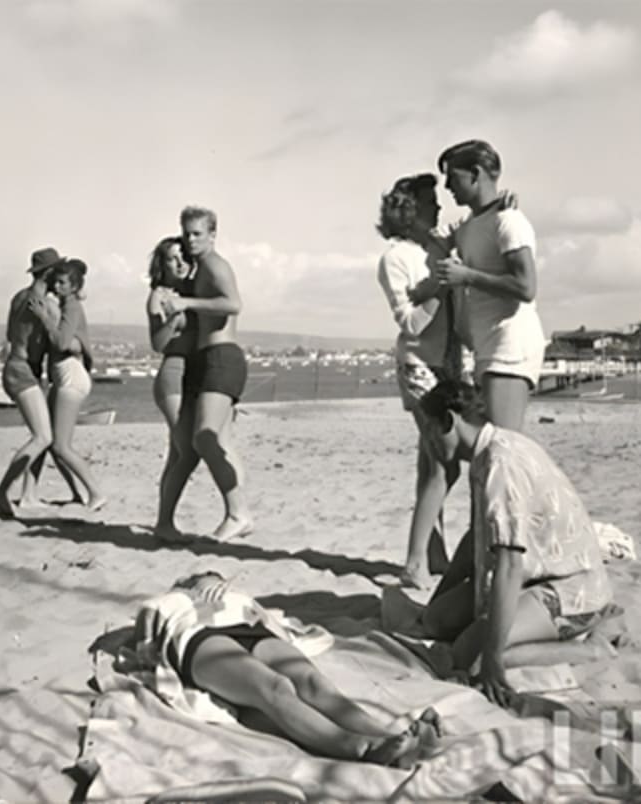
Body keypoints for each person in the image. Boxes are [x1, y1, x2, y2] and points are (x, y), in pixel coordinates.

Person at [416, 378, 616, 706]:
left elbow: (510, 563)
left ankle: (588, 649)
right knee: (438, 621)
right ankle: (508, 636)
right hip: (529, 577)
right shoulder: (484, 453)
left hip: (566, 585)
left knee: (472, 654)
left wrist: (493, 657)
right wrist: (438, 601)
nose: (427, 442)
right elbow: (476, 538)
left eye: (429, 430)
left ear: (450, 421)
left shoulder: (500, 462)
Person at [135, 570, 442, 767]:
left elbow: (272, 620)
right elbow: (145, 640)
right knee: (276, 687)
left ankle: (388, 736)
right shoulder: (169, 602)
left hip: (249, 628)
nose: (203, 579)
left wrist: (222, 586)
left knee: (313, 683)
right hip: (199, 638)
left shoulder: (231, 595)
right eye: (196, 577)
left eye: (209, 576)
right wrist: (180, 599)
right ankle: (358, 747)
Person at [376, 174, 460, 590]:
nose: (438, 208)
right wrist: (440, 288)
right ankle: (415, 561)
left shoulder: (434, 247)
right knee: (444, 462)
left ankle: (432, 553)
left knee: (433, 463)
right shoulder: (395, 258)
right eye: (430, 202)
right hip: (420, 365)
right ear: (407, 210)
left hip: (448, 365)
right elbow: (411, 323)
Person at [433, 140, 545, 431]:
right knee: (492, 449)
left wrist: (467, 276)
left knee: (504, 448)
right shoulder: (469, 225)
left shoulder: (508, 222)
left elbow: (526, 286)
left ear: (475, 173)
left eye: (452, 177)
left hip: (510, 346)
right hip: (487, 347)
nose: (446, 186)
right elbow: (427, 237)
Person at [157, 207, 252, 543]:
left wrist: (187, 304)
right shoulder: (199, 270)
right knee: (217, 441)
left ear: (213, 234)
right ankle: (238, 515)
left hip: (222, 356)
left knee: (204, 438)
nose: (191, 239)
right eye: (187, 233)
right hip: (205, 359)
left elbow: (233, 304)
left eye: (198, 233)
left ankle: (238, 513)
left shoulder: (215, 265)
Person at [0, 248, 65, 518]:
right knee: (44, 436)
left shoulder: (19, 298)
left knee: (41, 437)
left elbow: (12, 335)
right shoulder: (46, 305)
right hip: (25, 371)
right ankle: (2, 492)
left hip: (15, 365)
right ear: (49, 273)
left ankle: (29, 495)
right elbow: (60, 339)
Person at [26, 258, 107, 510]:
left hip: (71, 376)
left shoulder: (72, 307)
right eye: (55, 282)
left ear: (73, 287)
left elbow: (61, 343)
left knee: (61, 444)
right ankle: (70, 493)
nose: (57, 286)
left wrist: (43, 317)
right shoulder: (66, 305)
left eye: (62, 283)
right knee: (49, 440)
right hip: (64, 375)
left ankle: (95, 492)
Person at [146, 236, 202, 537]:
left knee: (176, 453)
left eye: (183, 256)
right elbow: (156, 343)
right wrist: (175, 318)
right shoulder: (159, 295)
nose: (179, 263)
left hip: (194, 376)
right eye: (171, 258)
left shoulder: (194, 290)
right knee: (188, 452)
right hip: (173, 375)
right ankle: (164, 523)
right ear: (162, 264)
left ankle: (164, 522)